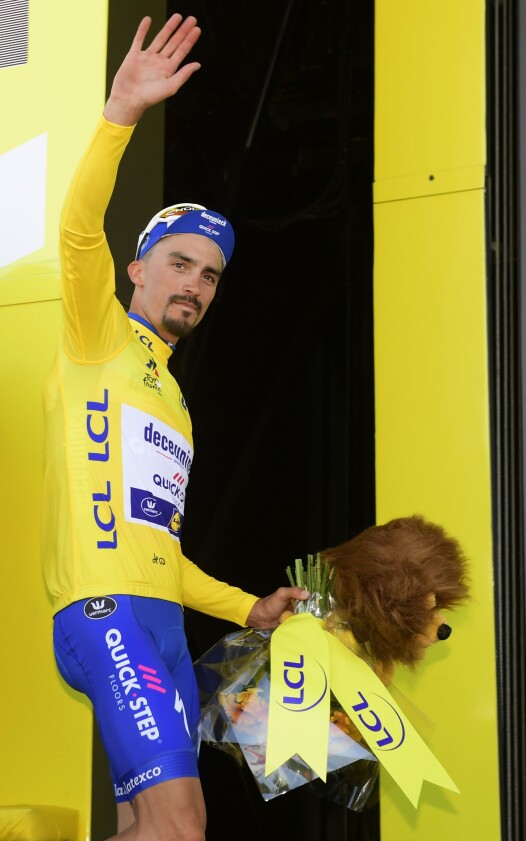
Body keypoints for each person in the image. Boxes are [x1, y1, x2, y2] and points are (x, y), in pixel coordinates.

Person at [42, 15, 308, 841]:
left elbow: (164, 549)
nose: (195, 284)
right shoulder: (100, 337)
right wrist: (120, 114)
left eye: (210, 275)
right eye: (180, 262)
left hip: (159, 622)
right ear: (137, 269)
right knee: (180, 824)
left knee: (144, 825)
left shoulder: (176, 403)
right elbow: (78, 228)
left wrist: (249, 610)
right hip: (104, 613)